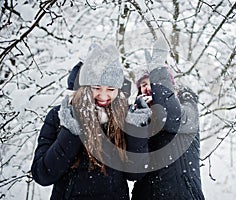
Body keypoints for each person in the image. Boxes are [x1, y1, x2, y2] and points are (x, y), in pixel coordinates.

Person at [31, 44, 148, 200]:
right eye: (96, 87)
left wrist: (136, 130)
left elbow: (135, 173)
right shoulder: (60, 115)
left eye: (111, 89)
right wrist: (71, 131)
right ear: (85, 86)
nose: (103, 96)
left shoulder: (125, 117)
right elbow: (43, 174)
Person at [127, 38, 205, 200]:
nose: (147, 87)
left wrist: (157, 68)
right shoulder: (136, 116)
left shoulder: (187, 107)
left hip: (183, 195)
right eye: (142, 84)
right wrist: (138, 126)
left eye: (151, 83)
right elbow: (135, 171)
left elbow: (170, 116)